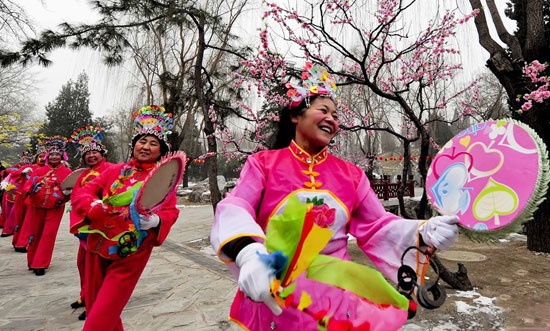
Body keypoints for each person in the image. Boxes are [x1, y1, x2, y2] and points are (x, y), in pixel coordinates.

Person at [210, 63, 459, 330]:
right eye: (323, 110)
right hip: (272, 289)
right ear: (296, 116)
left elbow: (377, 225)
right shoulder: (263, 164)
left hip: (334, 294)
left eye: (336, 115)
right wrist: (248, 253)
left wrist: (423, 231)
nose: (332, 118)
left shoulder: (350, 175)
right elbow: (236, 207)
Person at [71, 105, 179, 330]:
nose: (146, 147)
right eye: (142, 141)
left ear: (161, 151)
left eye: (153, 143)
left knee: (103, 310)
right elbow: (83, 191)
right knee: (97, 304)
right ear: (133, 145)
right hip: (98, 242)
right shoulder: (114, 170)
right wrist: (92, 204)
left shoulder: (161, 180)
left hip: (131, 248)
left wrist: (157, 221)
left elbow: (170, 211)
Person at [67, 126, 114, 321]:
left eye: (95, 152)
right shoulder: (83, 174)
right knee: (83, 263)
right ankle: (85, 295)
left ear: (102, 153)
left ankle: (96, 305)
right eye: (88, 153)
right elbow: (77, 195)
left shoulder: (111, 169)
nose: (91, 156)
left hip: (103, 225)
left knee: (97, 268)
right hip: (86, 224)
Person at [25, 136, 72, 275]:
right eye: (52, 154)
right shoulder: (38, 170)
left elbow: (71, 189)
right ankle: (32, 261)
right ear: (47, 156)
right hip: (36, 206)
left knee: (48, 235)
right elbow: (27, 186)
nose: (54, 157)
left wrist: (68, 192)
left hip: (55, 207)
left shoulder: (67, 172)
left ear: (62, 156)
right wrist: (33, 188)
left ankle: (40, 264)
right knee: (34, 233)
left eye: (57, 154)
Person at [12, 145, 47, 251]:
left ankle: (23, 243)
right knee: (19, 219)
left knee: (29, 221)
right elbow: (14, 175)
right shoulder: (30, 167)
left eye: (44, 156)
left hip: (35, 198)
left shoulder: (47, 169)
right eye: (40, 156)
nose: (42, 158)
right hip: (21, 196)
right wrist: (22, 172)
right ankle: (16, 241)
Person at [2, 150, 34, 237]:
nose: (24, 161)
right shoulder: (14, 169)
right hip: (10, 193)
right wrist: (4, 184)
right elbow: (8, 176)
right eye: (23, 159)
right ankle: (8, 227)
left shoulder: (32, 169)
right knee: (8, 212)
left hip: (22, 194)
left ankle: (10, 229)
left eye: (26, 160)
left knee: (14, 213)